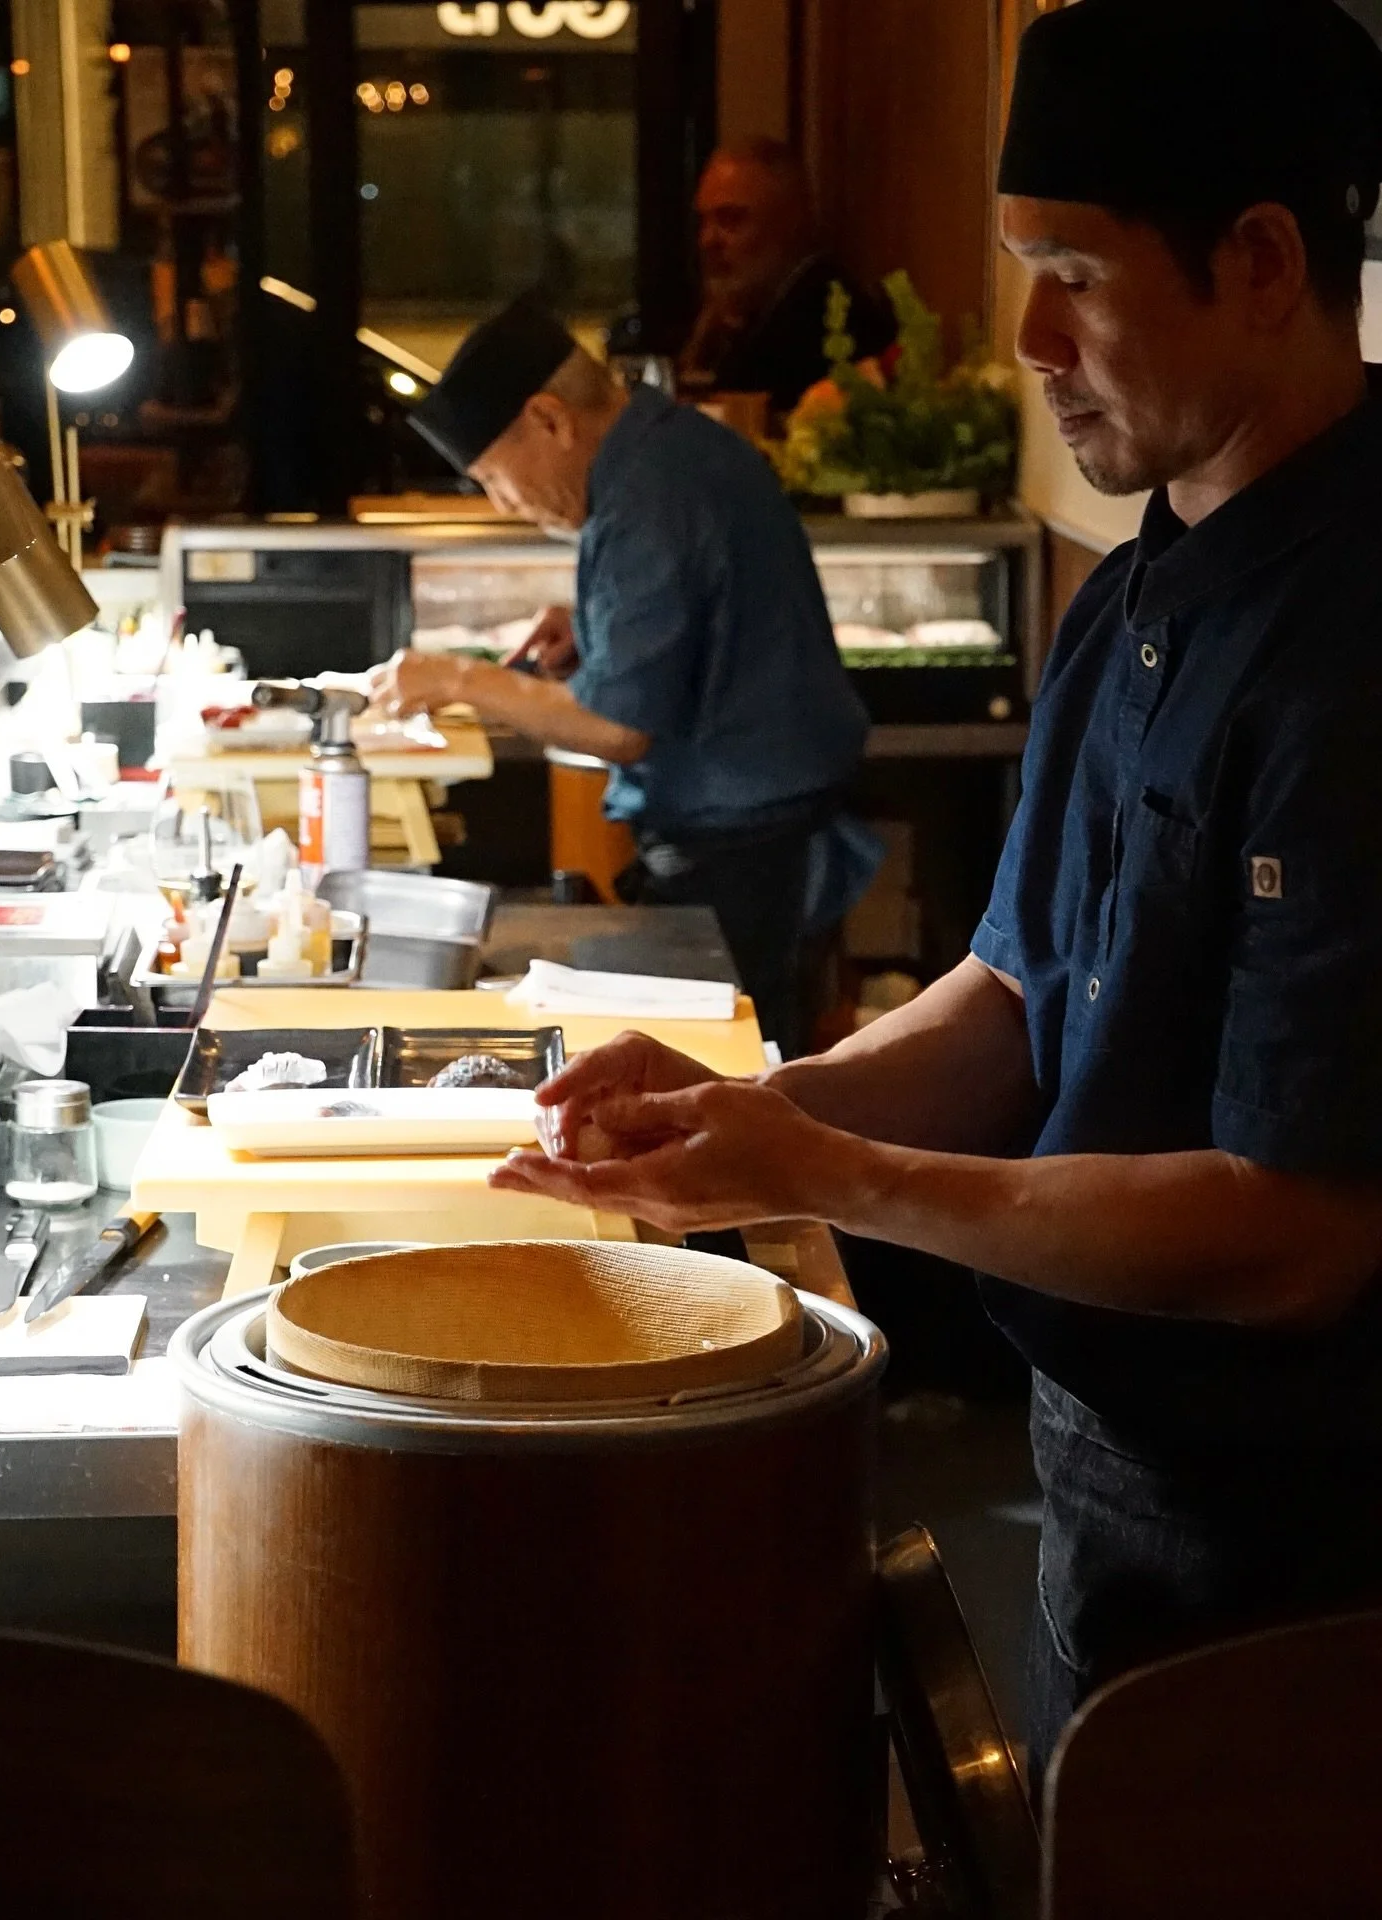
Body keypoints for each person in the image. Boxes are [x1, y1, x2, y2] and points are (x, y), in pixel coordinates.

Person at [491, 0, 1382, 1789]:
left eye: (1074, 273)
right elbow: (1013, 993)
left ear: (1266, 262)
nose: (1032, 338)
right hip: (1099, 1458)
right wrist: (748, 1107)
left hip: (1302, 1549)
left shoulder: (1353, 642)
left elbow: (1300, 1236)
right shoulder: (1145, 582)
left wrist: (832, 1174)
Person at [369, 296, 872, 1056]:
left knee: (740, 1075)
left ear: (549, 419)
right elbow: (696, 624)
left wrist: (458, 679)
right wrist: (591, 634)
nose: (507, 505)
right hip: (750, 825)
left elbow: (618, 729)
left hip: (750, 846)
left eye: (496, 480)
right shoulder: (662, 451)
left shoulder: (650, 494)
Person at [677, 140, 896, 417]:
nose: (708, 240)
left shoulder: (820, 320)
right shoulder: (748, 318)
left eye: (731, 220)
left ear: (789, 222)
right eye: (704, 222)